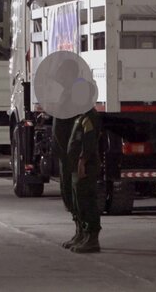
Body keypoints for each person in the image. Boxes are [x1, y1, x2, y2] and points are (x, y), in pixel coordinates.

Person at [67, 106, 102, 253]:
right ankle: (81, 233)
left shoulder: (90, 117)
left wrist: (82, 162)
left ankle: (91, 238)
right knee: (78, 200)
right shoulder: (80, 117)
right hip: (76, 166)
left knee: (87, 200)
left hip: (86, 166)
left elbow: (89, 143)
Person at [53, 116, 79, 248]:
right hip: (66, 158)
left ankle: (85, 234)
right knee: (68, 193)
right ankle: (79, 232)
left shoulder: (79, 115)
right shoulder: (61, 111)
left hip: (72, 158)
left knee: (79, 198)